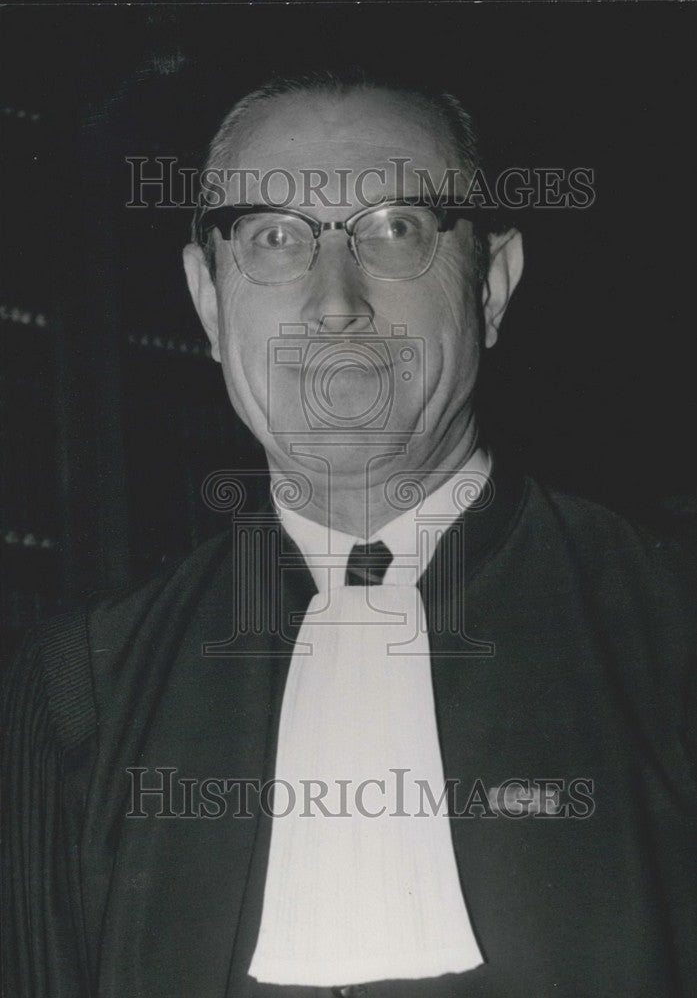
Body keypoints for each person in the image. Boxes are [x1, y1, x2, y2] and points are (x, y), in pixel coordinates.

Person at [2, 68, 697, 998]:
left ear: (490, 284)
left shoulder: (670, 626)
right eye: (273, 238)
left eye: (396, 229)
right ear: (209, 304)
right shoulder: (77, 686)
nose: (335, 303)